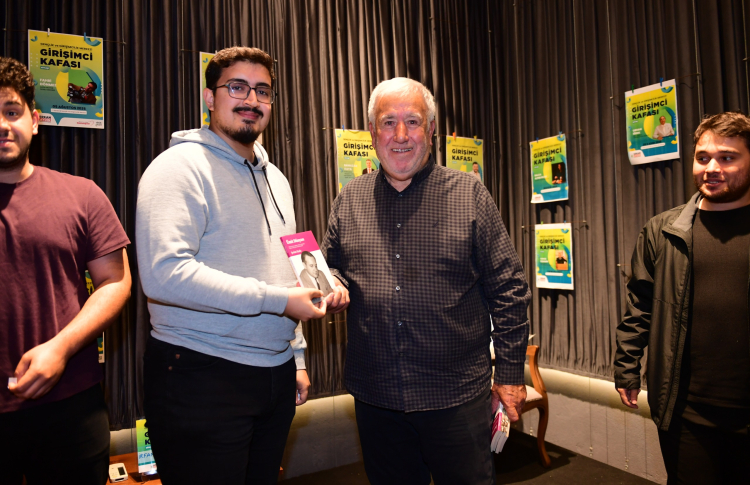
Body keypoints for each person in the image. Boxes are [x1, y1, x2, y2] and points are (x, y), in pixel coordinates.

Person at [136, 47, 349, 484]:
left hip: (274, 375)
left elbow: (285, 269)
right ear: (209, 97)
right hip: (201, 373)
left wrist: (296, 356)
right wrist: (280, 301)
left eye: (263, 91)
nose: (251, 100)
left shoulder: (277, 180)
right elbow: (164, 275)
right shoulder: (176, 169)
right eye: (237, 87)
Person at [321, 77, 531, 485]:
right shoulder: (349, 199)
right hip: (377, 399)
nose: (400, 135)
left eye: (413, 121)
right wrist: (333, 282)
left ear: (431, 130)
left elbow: (509, 289)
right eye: (388, 122)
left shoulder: (470, 194)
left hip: (456, 399)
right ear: (372, 132)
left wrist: (509, 374)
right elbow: (333, 267)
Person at [0, 57, 132, 485]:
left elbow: (116, 281)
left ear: (35, 121)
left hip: (72, 406)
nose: (2, 125)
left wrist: (60, 348)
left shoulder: (82, 195)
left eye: (12, 111)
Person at [614, 111, 750, 484]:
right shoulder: (662, 231)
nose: (712, 168)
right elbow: (639, 306)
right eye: (703, 157)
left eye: (727, 157)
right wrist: (626, 367)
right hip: (686, 413)